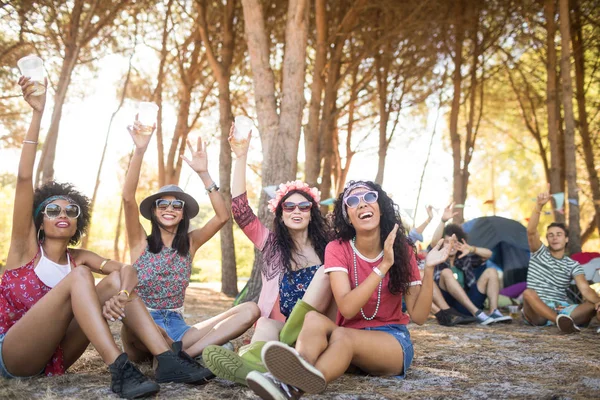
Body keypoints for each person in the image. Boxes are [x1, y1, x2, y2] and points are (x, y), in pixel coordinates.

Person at [1, 77, 208, 399]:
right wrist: (37, 114)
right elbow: (25, 178)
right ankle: (119, 367)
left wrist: (122, 294)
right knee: (82, 277)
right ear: (39, 221)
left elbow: (129, 270)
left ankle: (168, 361)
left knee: (116, 282)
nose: (63, 215)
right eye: (53, 210)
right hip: (15, 354)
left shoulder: (78, 257)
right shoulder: (24, 250)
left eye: (71, 211)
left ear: (78, 221)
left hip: (58, 357)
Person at [245, 180, 451, 398]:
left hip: (391, 342)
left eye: (369, 197)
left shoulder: (401, 249)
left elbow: (418, 316)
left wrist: (428, 269)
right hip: (344, 339)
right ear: (347, 216)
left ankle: (291, 389)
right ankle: (294, 369)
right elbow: (347, 308)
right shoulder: (337, 249)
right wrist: (381, 268)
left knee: (344, 337)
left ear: (381, 207)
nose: (362, 204)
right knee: (313, 319)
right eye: (353, 201)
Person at [202, 125, 335, 386]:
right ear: (281, 214)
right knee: (263, 324)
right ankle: (253, 367)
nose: (297, 210)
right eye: (289, 206)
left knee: (324, 273)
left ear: (312, 213)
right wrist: (240, 158)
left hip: (316, 331)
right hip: (279, 329)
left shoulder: (329, 247)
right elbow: (240, 211)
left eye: (304, 206)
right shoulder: (272, 245)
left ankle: (259, 362)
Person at [121, 122, 260, 365]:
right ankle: (196, 351)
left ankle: (179, 355)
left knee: (250, 310)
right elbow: (127, 198)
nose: (169, 209)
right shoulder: (139, 240)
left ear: (183, 214)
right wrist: (140, 150)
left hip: (178, 328)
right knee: (157, 336)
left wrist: (204, 174)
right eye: (162, 204)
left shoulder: (191, 242)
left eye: (177, 205)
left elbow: (222, 216)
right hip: (142, 325)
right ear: (153, 212)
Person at [523, 187, 600, 333]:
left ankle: (563, 321)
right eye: (551, 235)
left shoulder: (573, 265)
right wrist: (539, 205)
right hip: (537, 311)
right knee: (528, 293)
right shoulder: (539, 252)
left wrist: (597, 301)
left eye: (559, 234)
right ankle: (558, 321)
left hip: (563, 309)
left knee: (592, 304)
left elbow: (584, 289)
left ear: (566, 239)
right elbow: (531, 231)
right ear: (547, 239)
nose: (554, 237)